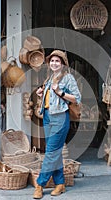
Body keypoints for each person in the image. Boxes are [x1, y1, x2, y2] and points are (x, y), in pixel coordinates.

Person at [33, 50, 81, 199]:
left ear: (63, 64)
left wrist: (60, 92)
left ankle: (40, 184)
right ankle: (60, 184)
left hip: (60, 118)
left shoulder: (68, 78)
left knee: (51, 152)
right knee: (55, 153)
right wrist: (42, 94)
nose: (54, 63)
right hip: (48, 117)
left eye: (57, 61)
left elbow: (77, 98)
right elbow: (49, 100)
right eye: (52, 61)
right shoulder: (49, 78)